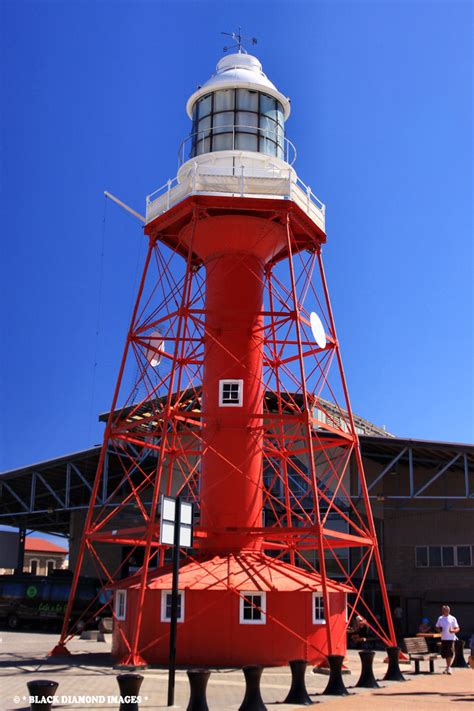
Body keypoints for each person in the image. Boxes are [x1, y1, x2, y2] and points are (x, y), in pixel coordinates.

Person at [436, 604, 460, 674]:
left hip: (451, 638)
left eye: (447, 610)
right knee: (445, 654)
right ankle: (447, 667)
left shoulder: (453, 618)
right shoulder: (440, 618)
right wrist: (439, 630)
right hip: (443, 638)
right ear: (442, 611)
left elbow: (458, 628)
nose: (446, 611)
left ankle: (449, 667)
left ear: (449, 610)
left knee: (450, 653)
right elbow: (437, 626)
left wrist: (453, 631)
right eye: (445, 610)